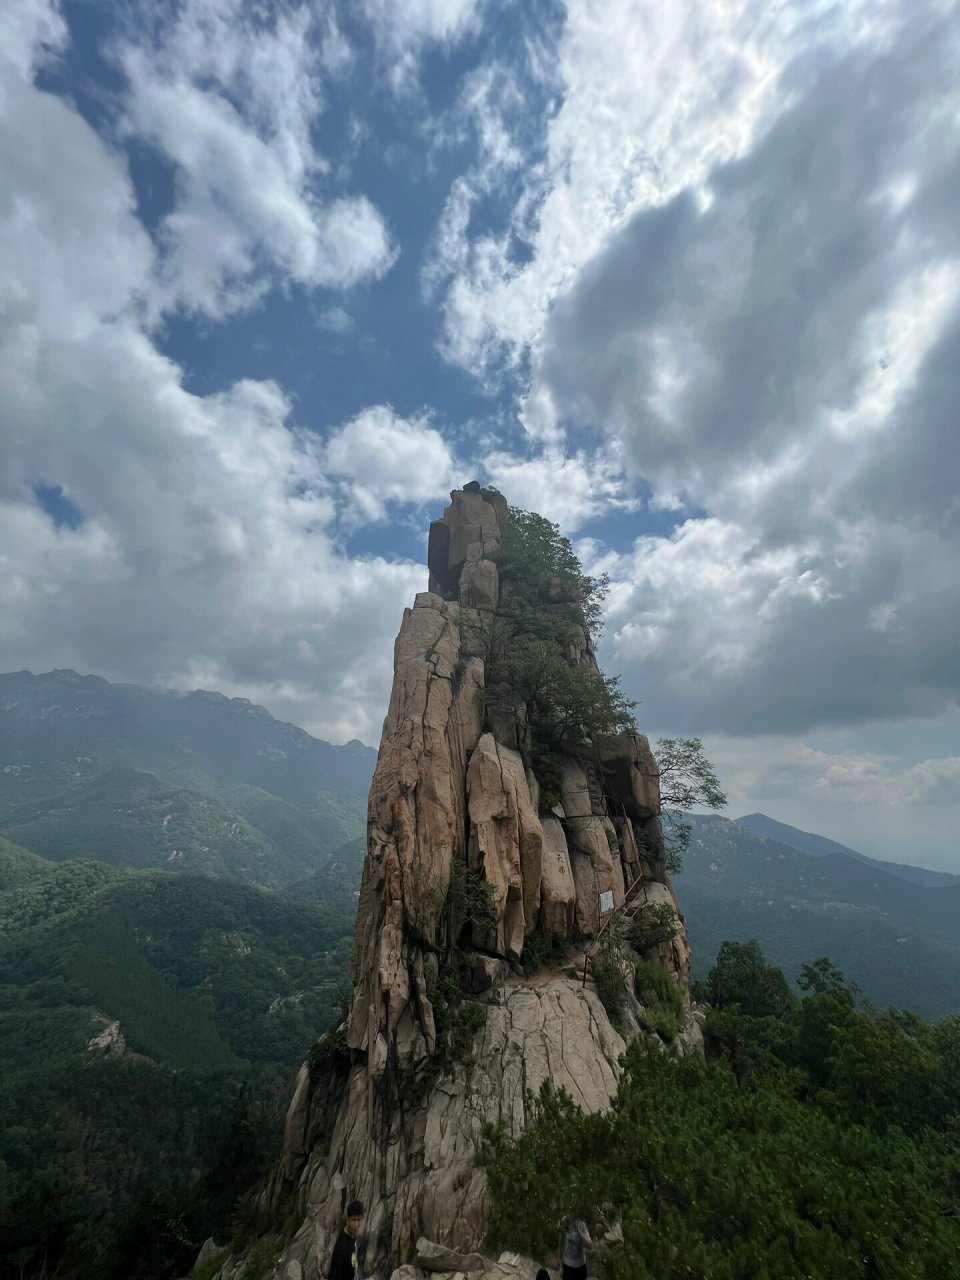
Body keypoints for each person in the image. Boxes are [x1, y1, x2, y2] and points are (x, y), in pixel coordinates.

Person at [328, 1199, 364, 1280]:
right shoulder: (341, 1246)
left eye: (359, 1219)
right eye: (353, 1220)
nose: (356, 1224)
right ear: (347, 1220)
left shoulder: (352, 1238)